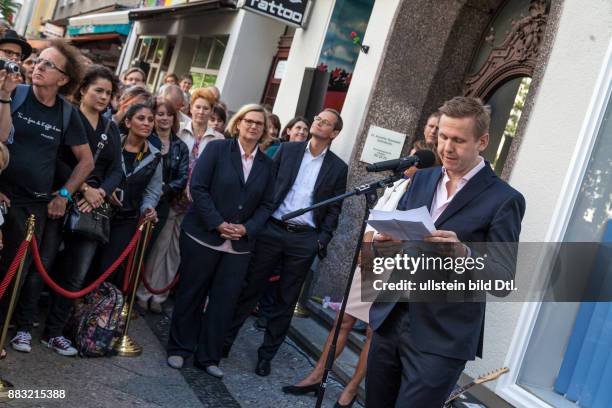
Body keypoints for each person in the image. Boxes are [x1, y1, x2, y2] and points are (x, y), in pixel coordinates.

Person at [365, 97, 526, 407]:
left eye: (458, 140)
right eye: (442, 136)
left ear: (483, 141)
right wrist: (384, 246)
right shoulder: (421, 178)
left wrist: (463, 253)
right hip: (391, 317)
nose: (446, 147)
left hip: (443, 337)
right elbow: (401, 243)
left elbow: (502, 279)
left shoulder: (505, 199)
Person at [282, 139, 440, 407]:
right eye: (409, 158)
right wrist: (366, 247)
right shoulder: (396, 183)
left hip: (395, 264)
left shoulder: (427, 193)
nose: (409, 164)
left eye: (415, 162)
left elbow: (418, 231)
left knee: (372, 331)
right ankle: (316, 376)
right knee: (342, 320)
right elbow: (376, 216)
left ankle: (352, 389)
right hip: (372, 256)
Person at [224, 109, 348, 377]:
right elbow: (267, 186)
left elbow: (335, 209)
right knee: (250, 289)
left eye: (325, 122)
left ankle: (266, 356)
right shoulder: (288, 150)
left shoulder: (338, 168)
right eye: (317, 118)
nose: (318, 122)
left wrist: (321, 240)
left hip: (304, 239)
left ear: (334, 134)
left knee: (285, 300)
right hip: (272, 229)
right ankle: (224, 342)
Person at [167, 104, 276, 379]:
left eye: (259, 124)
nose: (253, 126)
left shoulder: (268, 164)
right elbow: (199, 188)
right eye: (248, 121)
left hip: (239, 246)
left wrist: (246, 228)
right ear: (238, 123)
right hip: (203, 236)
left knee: (224, 302)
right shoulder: (217, 150)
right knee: (192, 293)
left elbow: (267, 204)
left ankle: (209, 356)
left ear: (264, 131)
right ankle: (179, 348)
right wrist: (217, 223)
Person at [0, 40, 94, 352]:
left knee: (14, 275)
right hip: (2, 195)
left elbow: (86, 161)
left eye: (47, 64)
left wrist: (64, 194)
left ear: (64, 79)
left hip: (32, 208)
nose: (37, 66)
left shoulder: (68, 114)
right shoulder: (15, 93)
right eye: (38, 61)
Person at [29, 65, 123, 355]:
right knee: (40, 264)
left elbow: (116, 169)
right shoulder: (66, 115)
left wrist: (101, 193)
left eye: (108, 93)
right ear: (83, 89)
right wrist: (83, 188)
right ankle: (22, 324)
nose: (104, 97)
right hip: (61, 197)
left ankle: (54, 332)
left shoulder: (111, 127)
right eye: (98, 90)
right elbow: (54, 156)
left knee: (76, 275)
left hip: (92, 208)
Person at [95, 103, 161, 288]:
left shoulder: (155, 156)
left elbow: (152, 191)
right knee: (86, 263)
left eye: (150, 120)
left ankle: (97, 312)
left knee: (108, 268)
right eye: (141, 118)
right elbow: (95, 172)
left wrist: (148, 207)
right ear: (128, 122)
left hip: (127, 219)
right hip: (98, 212)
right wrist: (106, 189)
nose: (147, 123)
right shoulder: (111, 144)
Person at [136, 99, 189, 313]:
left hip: (165, 204)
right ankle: (129, 292)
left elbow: (183, 177)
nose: (164, 118)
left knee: (155, 250)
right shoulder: (145, 139)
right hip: (138, 200)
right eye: (159, 114)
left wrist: (162, 188)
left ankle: (147, 293)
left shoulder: (180, 146)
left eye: (168, 114)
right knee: (135, 248)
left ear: (174, 119)